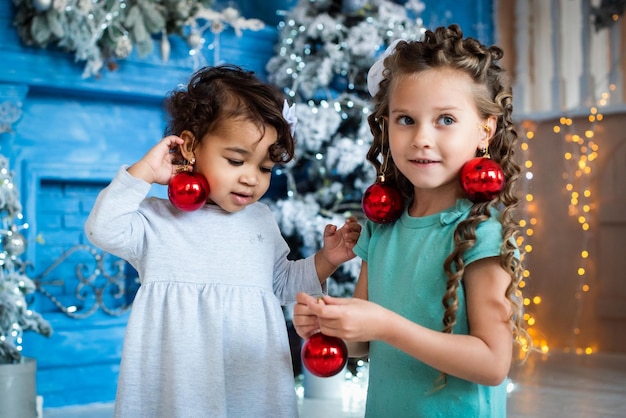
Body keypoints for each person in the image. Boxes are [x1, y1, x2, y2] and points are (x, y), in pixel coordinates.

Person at [84, 64, 361, 418]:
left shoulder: (260, 219)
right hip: (178, 378)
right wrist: (143, 173)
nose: (251, 179)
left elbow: (281, 283)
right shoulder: (156, 219)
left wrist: (329, 258)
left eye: (264, 168)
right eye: (235, 160)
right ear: (190, 146)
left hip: (250, 374)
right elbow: (102, 229)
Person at [294, 25, 530, 417]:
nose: (421, 137)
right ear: (386, 126)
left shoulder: (482, 233)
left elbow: (492, 364)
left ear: (484, 130)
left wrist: (386, 325)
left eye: (446, 120)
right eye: (406, 119)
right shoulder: (381, 226)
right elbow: (365, 342)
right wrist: (329, 324)